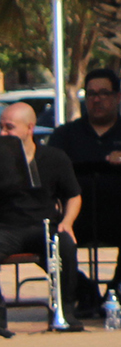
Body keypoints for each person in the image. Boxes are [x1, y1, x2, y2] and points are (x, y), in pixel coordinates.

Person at [49, 69, 121, 287]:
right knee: (46, 237)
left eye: (104, 93)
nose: (97, 99)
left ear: (117, 97)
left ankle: (118, 290)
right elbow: (49, 168)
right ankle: (82, 290)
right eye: (91, 94)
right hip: (77, 217)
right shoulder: (65, 134)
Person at [0, 101, 93, 334]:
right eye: (1, 127)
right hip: (7, 228)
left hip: (44, 227)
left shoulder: (54, 158)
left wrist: (67, 223)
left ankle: (65, 311)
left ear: (29, 128)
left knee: (65, 245)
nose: (3, 133)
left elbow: (74, 196)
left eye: (9, 128)